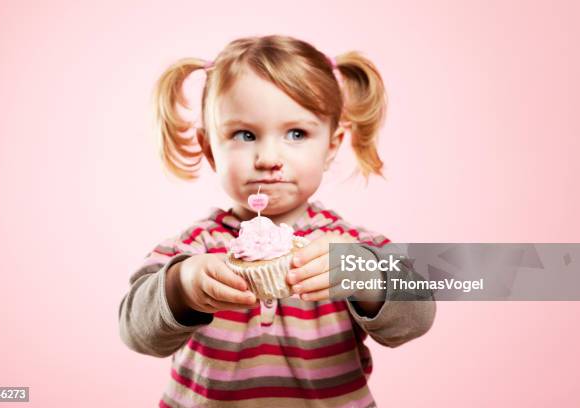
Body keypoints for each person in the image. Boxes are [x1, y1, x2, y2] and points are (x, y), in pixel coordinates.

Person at [118, 34, 436, 408]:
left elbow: (418, 315)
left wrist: (365, 273)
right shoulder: (192, 249)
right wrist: (181, 286)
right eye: (244, 134)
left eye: (296, 133)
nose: (268, 157)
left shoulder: (349, 244)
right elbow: (135, 331)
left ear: (331, 146)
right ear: (209, 149)